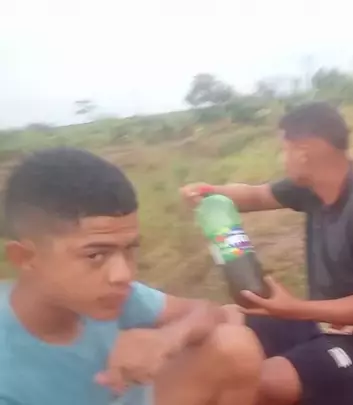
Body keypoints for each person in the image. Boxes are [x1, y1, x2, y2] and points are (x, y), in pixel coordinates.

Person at [181, 101, 353, 405]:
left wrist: (295, 308)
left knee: (262, 382)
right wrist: (209, 193)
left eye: (285, 149)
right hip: (319, 324)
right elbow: (256, 195)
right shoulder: (311, 191)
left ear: (304, 153)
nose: (283, 158)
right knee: (225, 319)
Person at [0, 148, 264, 405]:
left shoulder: (113, 294)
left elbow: (208, 311)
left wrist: (169, 338)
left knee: (233, 345)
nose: (123, 275)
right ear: (25, 258)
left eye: (129, 250)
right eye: (95, 255)